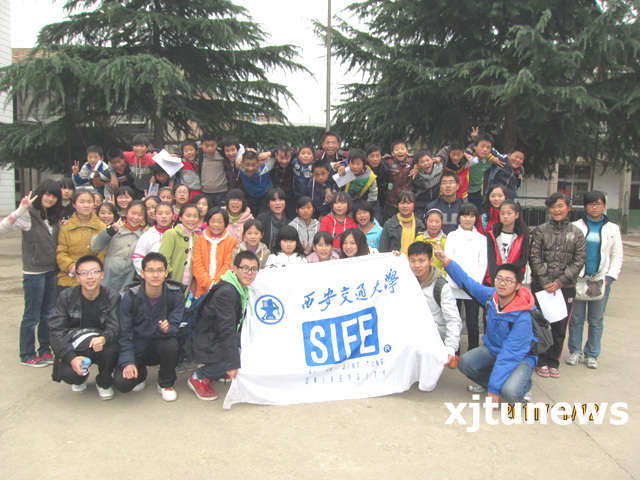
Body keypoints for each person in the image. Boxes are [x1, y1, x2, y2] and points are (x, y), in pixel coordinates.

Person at [435, 245, 537, 405]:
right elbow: (468, 283)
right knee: (465, 363)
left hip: (520, 356)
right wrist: (446, 261)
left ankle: (523, 386)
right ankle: (495, 382)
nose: (502, 284)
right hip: (493, 350)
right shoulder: (491, 296)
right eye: (499, 279)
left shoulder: (523, 316)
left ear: (518, 285)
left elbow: (509, 354)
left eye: (508, 281)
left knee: (511, 393)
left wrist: (493, 391)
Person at [0, 181, 61, 367]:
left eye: (54, 195)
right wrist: (21, 210)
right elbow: (2, 228)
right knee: (32, 315)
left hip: (52, 271)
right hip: (34, 273)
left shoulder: (55, 218)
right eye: (47, 194)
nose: (50, 198)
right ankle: (27, 354)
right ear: (40, 194)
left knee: (48, 314)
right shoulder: (28, 215)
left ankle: (45, 350)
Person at [186, 251, 260, 401]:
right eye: (245, 268)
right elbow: (227, 330)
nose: (249, 273)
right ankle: (199, 376)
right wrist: (231, 363)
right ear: (235, 269)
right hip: (204, 340)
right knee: (237, 355)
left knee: (250, 343)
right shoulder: (227, 292)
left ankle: (218, 369)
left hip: (214, 336)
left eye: (253, 269)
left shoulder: (239, 287)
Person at [529, 192, 586, 378]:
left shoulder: (576, 233)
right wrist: (546, 282)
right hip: (541, 286)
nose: (556, 210)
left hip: (565, 287)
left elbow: (579, 260)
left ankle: (553, 361)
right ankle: (541, 360)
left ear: (568, 207)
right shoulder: (540, 231)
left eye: (560, 206)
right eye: (553, 207)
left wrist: (560, 282)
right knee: (541, 324)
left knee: (560, 326)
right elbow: (534, 257)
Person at [113, 252, 184, 402]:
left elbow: (177, 328)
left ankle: (166, 383)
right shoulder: (130, 297)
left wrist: (168, 329)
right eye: (150, 270)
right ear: (142, 273)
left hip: (159, 344)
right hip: (136, 345)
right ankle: (140, 372)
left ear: (166, 273)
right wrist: (128, 362)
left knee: (171, 344)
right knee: (122, 384)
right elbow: (124, 333)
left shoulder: (175, 296)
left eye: (160, 270)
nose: (155, 275)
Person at [48, 255, 120, 400]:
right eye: (84, 273)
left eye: (94, 272)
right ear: (77, 277)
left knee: (112, 348)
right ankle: (80, 378)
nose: (90, 277)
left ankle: (104, 381)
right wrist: (71, 358)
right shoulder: (66, 297)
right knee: (70, 375)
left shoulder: (112, 296)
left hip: (100, 344)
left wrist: (104, 338)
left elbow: (115, 326)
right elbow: (56, 331)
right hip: (77, 345)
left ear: (102, 274)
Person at [568, 191, 623, 369]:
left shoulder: (612, 229)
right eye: (591, 204)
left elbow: (617, 255)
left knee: (596, 320)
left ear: (604, 206)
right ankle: (575, 351)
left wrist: (609, 278)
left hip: (599, 280)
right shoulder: (575, 226)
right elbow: (569, 252)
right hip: (579, 280)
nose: (594, 207)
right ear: (585, 206)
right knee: (576, 319)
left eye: (598, 204)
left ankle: (592, 354)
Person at [408, 242, 461, 368]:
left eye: (421, 260)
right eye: (412, 261)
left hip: (435, 336)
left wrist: (450, 347)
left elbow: (453, 319)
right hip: (412, 333)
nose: (416, 265)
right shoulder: (406, 281)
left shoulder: (441, 286)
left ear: (431, 261)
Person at [444, 203, 487, 352]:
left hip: (472, 287)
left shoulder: (482, 239)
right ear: (459, 218)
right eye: (464, 215)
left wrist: (473, 284)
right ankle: (454, 353)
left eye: (471, 215)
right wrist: (457, 281)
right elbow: (448, 260)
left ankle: (473, 352)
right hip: (454, 285)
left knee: (473, 323)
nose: (468, 219)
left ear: (476, 218)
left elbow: (483, 263)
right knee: (454, 321)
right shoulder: (452, 236)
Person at [91, 200, 147, 293]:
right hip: (108, 279)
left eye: (140, 215)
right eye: (133, 213)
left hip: (129, 282)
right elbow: (95, 247)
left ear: (144, 217)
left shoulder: (145, 236)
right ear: (126, 212)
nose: (135, 217)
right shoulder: (115, 229)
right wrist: (109, 232)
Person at [56, 189, 106, 289]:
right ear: (74, 204)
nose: (86, 205)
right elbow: (61, 252)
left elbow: (102, 253)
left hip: (93, 278)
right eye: (81, 202)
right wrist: (71, 266)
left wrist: (92, 270)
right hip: (70, 278)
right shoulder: (66, 227)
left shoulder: (101, 227)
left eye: (89, 202)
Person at [192, 207, 239, 297]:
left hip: (222, 289)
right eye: (212, 221)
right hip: (202, 289)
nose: (216, 225)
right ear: (208, 222)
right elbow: (197, 265)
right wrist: (208, 283)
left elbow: (228, 265)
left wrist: (216, 284)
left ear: (225, 223)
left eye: (220, 222)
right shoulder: (200, 239)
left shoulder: (232, 241)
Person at [158, 203, 200, 295]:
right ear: (180, 218)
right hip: (171, 283)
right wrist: (169, 277)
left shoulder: (197, 238)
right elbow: (163, 258)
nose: (192, 219)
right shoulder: (171, 233)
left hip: (188, 284)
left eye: (195, 216)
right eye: (188, 216)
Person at [485, 200, 529, 286]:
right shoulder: (492, 234)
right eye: (502, 213)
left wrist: (508, 270)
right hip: (495, 278)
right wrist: (496, 278)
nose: (505, 216)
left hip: (514, 279)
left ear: (516, 215)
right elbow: (491, 259)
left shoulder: (522, 235)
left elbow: (523, 259)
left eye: (509, 213)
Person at [107, 134, 156, 199]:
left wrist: (154, 175)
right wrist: (113, 176)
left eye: (142, 146)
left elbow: (160, 167)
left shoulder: (151, 158)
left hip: (150, 189)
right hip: (136, 188)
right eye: (136, 146)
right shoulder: (130, 156)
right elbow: (113, 158)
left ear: (147, 148)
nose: (139, 148)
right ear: (132, 147)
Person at [133, 201, 175, 276]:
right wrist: (149, 274)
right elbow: (138, 258)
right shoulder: (147, 235)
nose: (164, 216)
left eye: (167, 213)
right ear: (155, 216)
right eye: (160, 213)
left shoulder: (178, 234)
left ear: (173, 216)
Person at [379, 191, 425, 255]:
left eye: (408, 203)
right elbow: (383, 250)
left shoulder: (420, 225)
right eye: (402, 203)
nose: (405, 206)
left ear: (414, 204)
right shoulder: (389, 224)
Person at [198, 132, 237, 207]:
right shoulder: (199, 155)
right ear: (201, 145)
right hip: (206, 192)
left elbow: (238, 148)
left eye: (212, 145)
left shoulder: (221, 154)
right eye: (206, 146)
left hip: (222, 192)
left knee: (221, 212)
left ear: (216, 144)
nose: (210, 148)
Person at [382, 140, 415, 222]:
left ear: (407, 151)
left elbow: (424, 161)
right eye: (397, 149)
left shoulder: (412, 161)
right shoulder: (388, 161)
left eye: (402, 149)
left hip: (407, 201)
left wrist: (417, 168)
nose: (400, 151)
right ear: (392, 153)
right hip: (391, 202)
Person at [239, 150, 276, 216]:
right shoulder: (240, 168)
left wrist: (269, 153)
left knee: (262, 217)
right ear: (242, 163)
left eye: (253, 165)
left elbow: (279, 151)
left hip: (265, 195)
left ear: (258, 163)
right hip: (251, 196)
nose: (250, 168)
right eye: (247, 165)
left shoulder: (266, 167)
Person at [415, 208, 447, 275]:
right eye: (431, 221)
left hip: (439, 277)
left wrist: (440, 277)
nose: (433, 225)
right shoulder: (419, 238)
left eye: (437, 222)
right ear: (425, 221)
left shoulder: (445, 240)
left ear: (442, 222)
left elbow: (446, 263)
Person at [411, 148, 443, 213]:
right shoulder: (415, 175)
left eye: (428, 160)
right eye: (422, 162)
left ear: (432, 159)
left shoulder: (439, 169)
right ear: (417, 164)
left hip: (436, 203)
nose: (426, 163)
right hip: (420, 205)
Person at [269, 144, 296, 219]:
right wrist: (269, 153)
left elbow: (298, 153)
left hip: (289, 194)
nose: (284, 161)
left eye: (287, 158)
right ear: (276, 155)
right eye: (281, 158)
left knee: (290, 216)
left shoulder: (293, 162)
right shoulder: (272, 162)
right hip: (274, 192)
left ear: (291, 156)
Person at [366, 143, 389, 223]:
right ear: (367, 157)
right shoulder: (362, 166)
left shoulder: (385, 170)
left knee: (376, 220)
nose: (375, 159)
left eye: (377, 156)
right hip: (362, 197)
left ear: (381, 157)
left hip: (376, 199)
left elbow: (383, 190)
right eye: (371, 156)